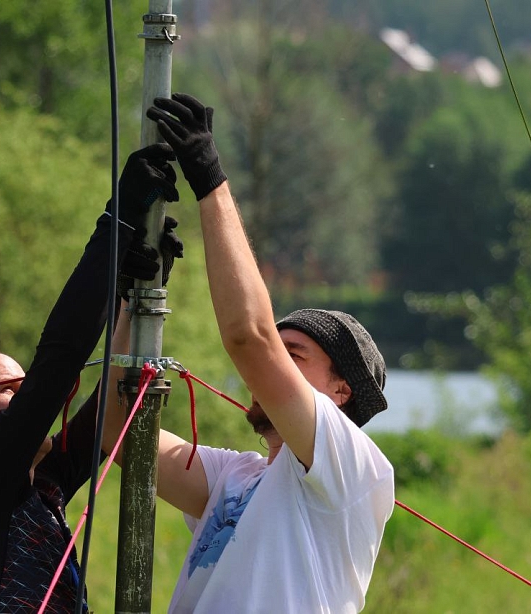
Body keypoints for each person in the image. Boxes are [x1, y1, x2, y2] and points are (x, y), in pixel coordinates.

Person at [105, 93, 395, 613]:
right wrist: (134, 301)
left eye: (294, 356)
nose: (271, 369)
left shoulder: (351, 466)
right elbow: (115, 432)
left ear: (341, 390)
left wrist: (209, 179)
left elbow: (249, 339)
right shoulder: (235, 477)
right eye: (279, 353)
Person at [0, 143, 181, 613]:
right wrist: (118, 221)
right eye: (9, 390)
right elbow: (59, 363)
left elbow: (111, 403)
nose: (26, 399)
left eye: (24, 387)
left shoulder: (43, 484)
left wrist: (136, 297)